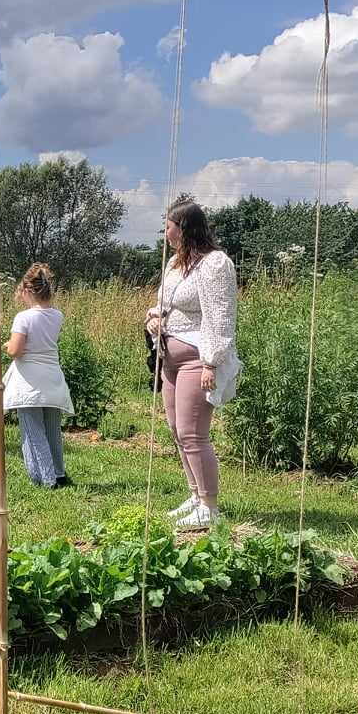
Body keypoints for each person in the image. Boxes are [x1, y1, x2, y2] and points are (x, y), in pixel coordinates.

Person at [146, 200, 240, 530]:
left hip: (196, 359)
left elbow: (220, 316)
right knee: (175, 430)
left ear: (185, 227)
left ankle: (210, 508)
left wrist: (211, 363)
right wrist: (154, 318)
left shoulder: (215, 264)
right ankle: (195, 496)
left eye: (169, 225)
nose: (166, 232)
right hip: (170, 356)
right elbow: (162, 302)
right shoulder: (176, 263)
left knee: (193, 433)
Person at [3, 263, 74, 488]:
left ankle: (45, 477)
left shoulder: (23, 318)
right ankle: (59, 472)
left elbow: (16, 350)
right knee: (52, 428)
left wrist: (7, 345)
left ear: (27, 290)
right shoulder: (57, 315)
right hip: (52, 376)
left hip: (29, 380)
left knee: (33, 430)